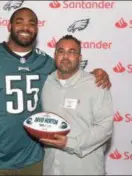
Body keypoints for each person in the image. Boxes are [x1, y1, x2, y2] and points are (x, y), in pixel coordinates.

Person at [0, 7, 111, 176]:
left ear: (37, 30)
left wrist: (96, 74)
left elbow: (70, 72)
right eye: (20, 22)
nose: (26, 27)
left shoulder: (45, 62)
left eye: (31, 23)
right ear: (9, 26)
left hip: (34, 158)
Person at [40, 34, 114, 175]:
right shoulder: (46, 82)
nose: (66, 56)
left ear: (80, 58)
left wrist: (70, 143)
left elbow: (105, 127)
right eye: (61, 51)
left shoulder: (96, 84)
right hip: (51, 167)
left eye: (72, 52)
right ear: (55, 55)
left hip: (84, 168)